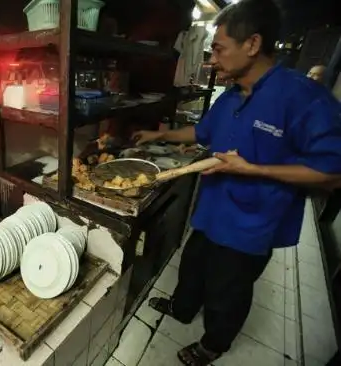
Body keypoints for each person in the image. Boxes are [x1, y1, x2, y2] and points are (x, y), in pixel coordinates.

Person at [132, 0, 341, 365]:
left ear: (253, 44)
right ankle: (181, 308)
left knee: (227, 291)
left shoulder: (302, 97)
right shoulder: (230, 96)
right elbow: (201, 132)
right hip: (211, 212)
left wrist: (253, 170)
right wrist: (158, 136)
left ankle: (213, 344)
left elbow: (331, 172)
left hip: (251, 227)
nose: (213, 57)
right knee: (193, 266)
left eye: (218, 47)